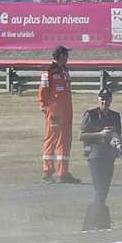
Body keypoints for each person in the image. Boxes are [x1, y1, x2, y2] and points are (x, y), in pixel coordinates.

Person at [78, 81, 122, 231]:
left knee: (104, 190)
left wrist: (118, 144)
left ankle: (103, 223)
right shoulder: (91, 114)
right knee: (100, 190)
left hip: (109, 157)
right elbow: (81, 135)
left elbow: (118, 134)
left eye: (107, 99)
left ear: (111, 100)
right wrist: (100, 134)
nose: (104, 102)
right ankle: (89, 224)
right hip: (96, 156)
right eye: (102, 99)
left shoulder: (115, 116)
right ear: (98, 100)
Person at [38, 45, 75, 182]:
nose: (67, 58)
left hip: (66, 111)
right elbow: (42, 92)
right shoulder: (48, 72)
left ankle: (63, 173)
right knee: (51, 140)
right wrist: (45, 107)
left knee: (65, 141)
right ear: (59, 56)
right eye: (65, 55)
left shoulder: (65, 71)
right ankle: (47, 172)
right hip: (54, 112)